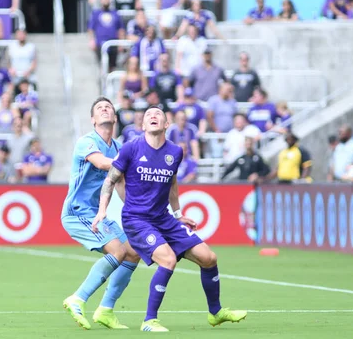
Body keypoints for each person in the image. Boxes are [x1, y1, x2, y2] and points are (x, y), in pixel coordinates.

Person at [93, 106, 247, 332]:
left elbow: (172, 183)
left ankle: (216, 312)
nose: (153, 116)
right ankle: (149, 320)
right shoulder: (130, 148)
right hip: (137, 219)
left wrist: (178, 214)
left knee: (209, 258)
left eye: (158, 115)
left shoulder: (175, 152)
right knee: (168, 260)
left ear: (166, 125)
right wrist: (102, 211)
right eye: (148, 115)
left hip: (164, 218)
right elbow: (110, 180)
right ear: (143, 125)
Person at [61, 97, 140, 330]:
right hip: (77, 213)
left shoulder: (117, 148)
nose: (105, 109)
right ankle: (78, 298)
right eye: (99, 108)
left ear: (115, 118)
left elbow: (120, 185)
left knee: (133, 252)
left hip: (97, 213)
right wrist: (134, 163)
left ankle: (106, 309)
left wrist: (137, 210)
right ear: (93, 120)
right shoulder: (86, 142)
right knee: (117, 251)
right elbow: (104, 164)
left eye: (109, 107)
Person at [87, 0, 124, 70]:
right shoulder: (96, 13)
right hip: (100, 43)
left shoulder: (115, 13)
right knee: (102, 64)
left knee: (112, 65)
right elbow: (90, 28)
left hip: (113, 42)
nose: (106, 0)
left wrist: (121, 43)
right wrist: (92, 40)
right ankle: (103, 80)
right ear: (100, 0)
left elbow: (120, 29)